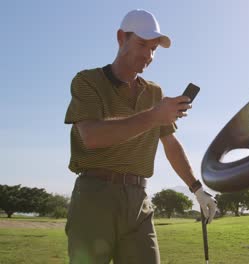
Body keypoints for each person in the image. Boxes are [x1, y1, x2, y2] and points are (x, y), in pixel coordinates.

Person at [64, 9, 217, 264]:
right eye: (142, 44)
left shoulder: (155, 93)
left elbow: (170, 143)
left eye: (154, 48)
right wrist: (155, 116)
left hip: (139, 200)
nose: (148, 54)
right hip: (94, 196)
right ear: (121, 38)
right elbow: (91, 136)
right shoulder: (87, 81)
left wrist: (197, 188)